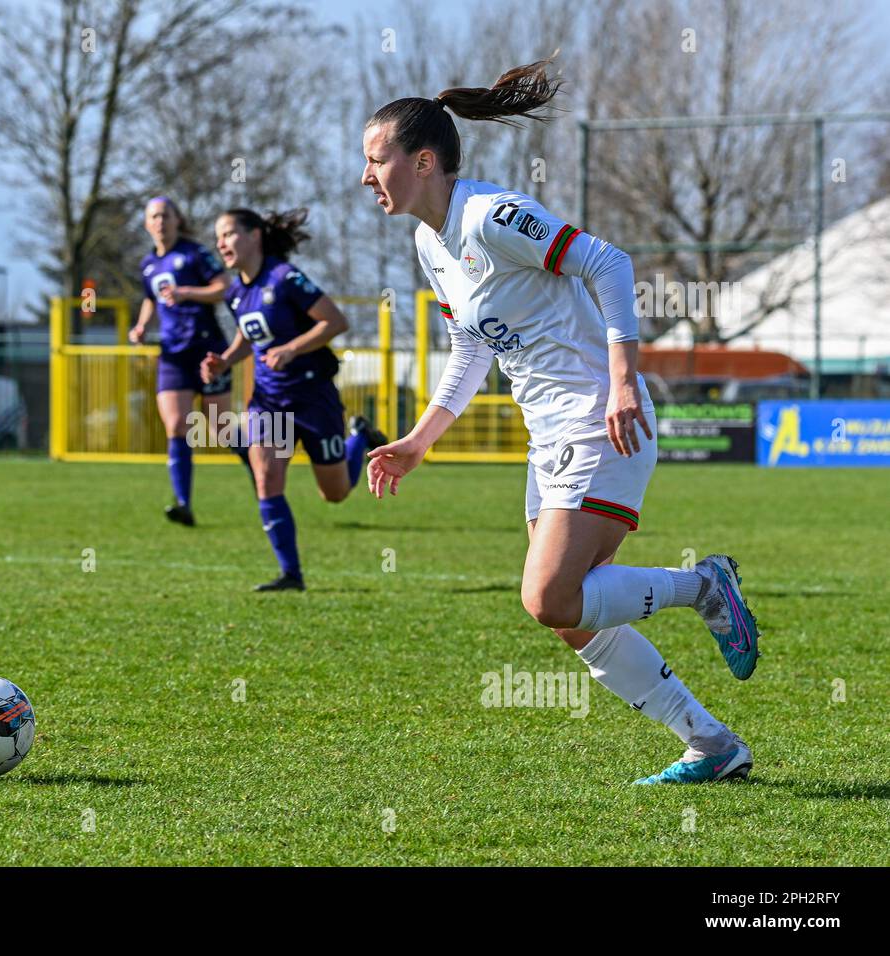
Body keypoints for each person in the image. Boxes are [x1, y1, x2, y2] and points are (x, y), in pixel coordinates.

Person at [360, 58, 761, 784]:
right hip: (549, 437)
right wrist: (420, 441)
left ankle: (705, 586)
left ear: (423, 161)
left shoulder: (489, 215)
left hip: (600, 422)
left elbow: (608, 263)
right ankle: (710, 743)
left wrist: (621, 382)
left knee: (548, 597)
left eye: (375, 158)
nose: (366, 176)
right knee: (574, 617)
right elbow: (471, 344)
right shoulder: (430, 242)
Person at [202, 208, 387, 592]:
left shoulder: (285, 278)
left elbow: (334, 321)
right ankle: (291, 575)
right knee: (267, 478)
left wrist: (292, 349)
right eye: (218, 237)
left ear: (254, 236)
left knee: (334, 494)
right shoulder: (235, 291)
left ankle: (359, 437)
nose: (221, 243)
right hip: (269, 401)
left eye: (229, 234)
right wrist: (224, 361)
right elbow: (248, 337)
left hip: (313, 396)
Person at [130, 196, 249, 526]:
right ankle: (183, 503)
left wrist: (186, 293)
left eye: (166, 215)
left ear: (177, 220)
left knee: (222, 430)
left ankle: (258, 465)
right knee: (176, 425)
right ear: (146, 223)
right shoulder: (148, 265)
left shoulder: (194, 254)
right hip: (172, 355)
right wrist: (141, 326)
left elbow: (223, 286)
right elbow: (151, 300)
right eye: (153, 216)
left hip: (206, 350)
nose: (160, 221)